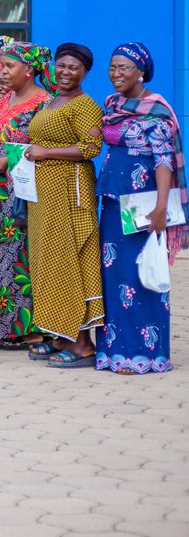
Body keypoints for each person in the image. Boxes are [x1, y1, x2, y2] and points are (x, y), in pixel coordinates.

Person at [95, 42, 187, 375]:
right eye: (112, 67)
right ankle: (112, 350)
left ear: (141, 71)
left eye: (124, 68)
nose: (116, 74)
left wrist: (161, 207)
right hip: (111, 199)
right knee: (112, 274)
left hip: (141, 204)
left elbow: (163, 161)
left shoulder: (156, 110)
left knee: (138, 274)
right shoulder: (113, 104)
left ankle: (144, 353)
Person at [21, 42, 104, 368]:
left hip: (71, 190)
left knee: (71, 258)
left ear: (84, 72)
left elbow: (91, 147)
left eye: (74, 67)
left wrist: (46, 153)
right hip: (45, 193)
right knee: (50, 260)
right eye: (62, 66)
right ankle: (61, 334)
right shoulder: (55, 100)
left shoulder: (86, 105)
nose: (66, 72)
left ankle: (83, 343)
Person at [0, 41, 53, 350]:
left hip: (18, 193)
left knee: (17, 257)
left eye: (9, 66)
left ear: (30, 70)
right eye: (1, 66)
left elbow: (42, 144)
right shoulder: (4, 98)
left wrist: (12, 159)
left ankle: (27, 328)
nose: (1, 71)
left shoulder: (44, 103)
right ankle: (0, 323)